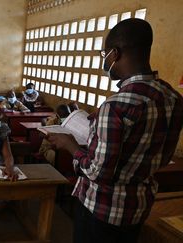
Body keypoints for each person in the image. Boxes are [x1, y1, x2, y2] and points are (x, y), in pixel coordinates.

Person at [47, 19, 183, 243]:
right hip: (139, 204)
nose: (105, 60)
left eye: (104, 54)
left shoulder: (115, 106)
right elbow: (163, 156)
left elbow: (97, 172)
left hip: (102, 209)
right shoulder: (172, 98)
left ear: (115, 53)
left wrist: (69, 145)